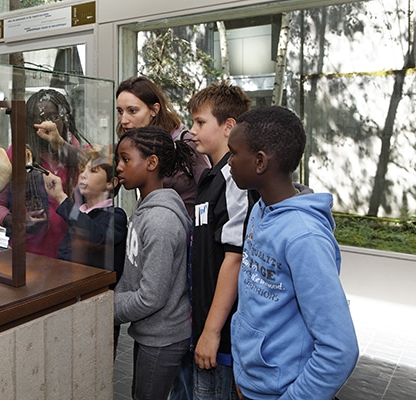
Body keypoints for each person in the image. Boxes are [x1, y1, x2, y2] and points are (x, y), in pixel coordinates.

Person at [228, 106, 359, 400]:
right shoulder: (261, 210)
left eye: (233, 153)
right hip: (251, 385)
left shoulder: (304, 236)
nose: (229, 163)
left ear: (260, 162)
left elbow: (340, 349)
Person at [176, 81, 254, 400]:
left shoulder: (235, 180)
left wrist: (211, 332)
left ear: (228, 126)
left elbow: (234, 258)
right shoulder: (210, 177)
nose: (192, 130)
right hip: (205, 328)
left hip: (222, 338)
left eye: (200, 122)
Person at [113, 125, 195, 400]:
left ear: (151, 163)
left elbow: (151, 297)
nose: (119, 168)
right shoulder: (145, 210)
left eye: (126, 159)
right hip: (150, 332)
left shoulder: (160, 221)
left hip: (163, 336)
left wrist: (108, 308)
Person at [0, 88, 88, 258]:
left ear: (64, 119)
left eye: (53, 117)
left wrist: (59, 144)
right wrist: (17, 221)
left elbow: (94, 168)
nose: (47, 124)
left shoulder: (79, 151)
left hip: (72, 255)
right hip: (28, 254)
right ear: (30, 123)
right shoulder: (19, 153)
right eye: (39, 119)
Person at [116, 76, 210, 218]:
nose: (124, 120)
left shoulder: (185, 141)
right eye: (120, 111)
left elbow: (207, 189)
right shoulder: (130, 144)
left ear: (154, 110)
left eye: (132, 111)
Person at [42, 146, 127, 275]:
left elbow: (95, 236)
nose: (83, 175)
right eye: (82, 170)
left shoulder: (116, 216)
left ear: (111, 183)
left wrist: (61, 197)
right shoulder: (81, 213)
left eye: (93, 171)